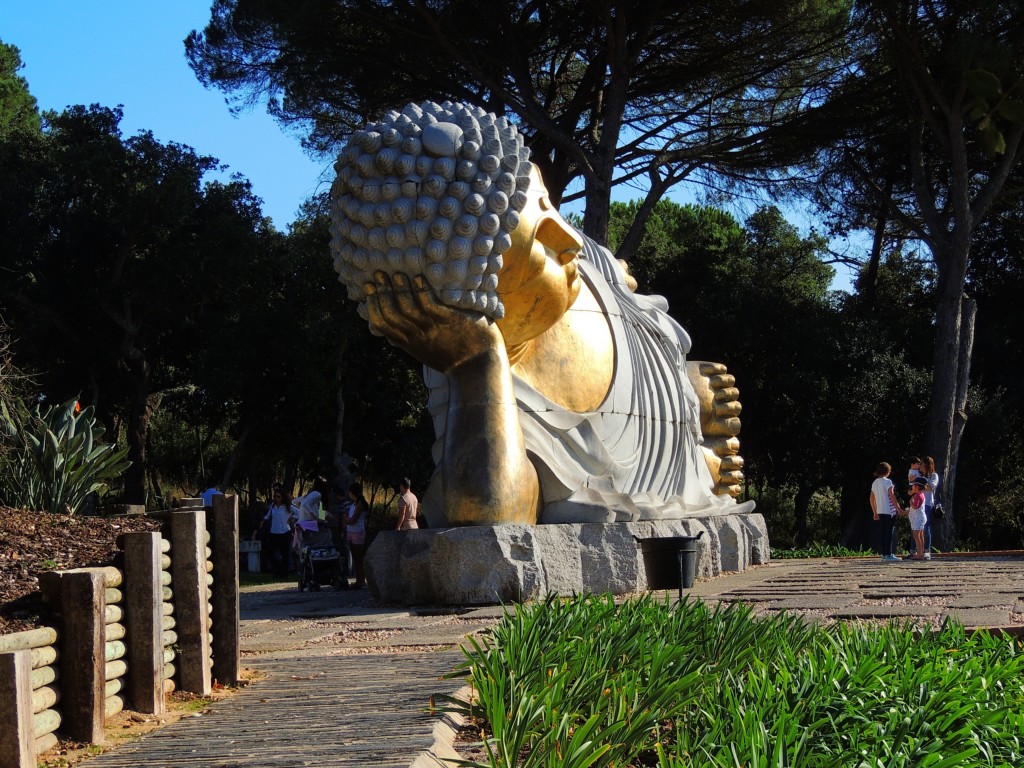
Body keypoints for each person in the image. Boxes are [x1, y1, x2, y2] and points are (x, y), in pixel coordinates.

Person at [330, 101, 755, 527]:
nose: (570, 240)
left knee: (679, 368)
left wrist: (613, 276)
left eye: (550, 207)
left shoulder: (583, 263)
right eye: (541, 238)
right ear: (455, 294)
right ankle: (695, 467)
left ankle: (685, 423)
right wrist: (477, 363)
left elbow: (616, 280)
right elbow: (491, 514)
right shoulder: (465, 373)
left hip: (634, 347)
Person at [870, 462, 903, 562]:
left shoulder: (875, 482)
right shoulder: (888, 482)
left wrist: (875, 512)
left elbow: (871, 498)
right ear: (887, 471)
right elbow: (891, 496)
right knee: (889, 532)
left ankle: (884, 554)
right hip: (889, 511)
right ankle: (888, 554)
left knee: (883, 532)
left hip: (880, 511)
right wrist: (898, 508)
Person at [258, 488, 295, 578]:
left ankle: (284, 573)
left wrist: (291, 518)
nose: (276, 498)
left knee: (284, 554)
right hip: (274, 532)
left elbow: (299, 512)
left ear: (282, 498)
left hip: (284, 532)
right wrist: (263, 521)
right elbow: (267, 516)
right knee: (270, 553)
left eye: (278, 497)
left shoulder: (287, 507)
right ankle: (279, 568)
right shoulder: (272, 506)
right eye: (275, 496)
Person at [345, 482, 369, 588]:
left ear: (352, 492)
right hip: (351, 531)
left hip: (358, 532)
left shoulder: (360, 504)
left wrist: (346, 520)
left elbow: (353, 520)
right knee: (355, 557)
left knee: (359, 557)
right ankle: (358, 579)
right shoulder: (353, 504)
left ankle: (361, 580)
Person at [920, 456, 939, 559]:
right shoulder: (919, 475)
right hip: (917, 504)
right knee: (915, 528)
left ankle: (927, 551)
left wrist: (920, 482)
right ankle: (916, 551)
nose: (920, 465)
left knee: (925, 526)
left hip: (927, 504)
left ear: (927, 465)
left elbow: (930, 487)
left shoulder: (933, 476)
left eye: (922, 463)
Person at [907, 476, 928, 561]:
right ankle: (921, 553)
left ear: (917, 487)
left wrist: (910, 502)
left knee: (916, 536)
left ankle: (919, 554)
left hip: (918, 519)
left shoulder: (918, 496)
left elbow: (916, 506)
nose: (912, 487)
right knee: (920, 536)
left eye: (913, 485)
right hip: (919, 518)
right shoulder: (920, 494)